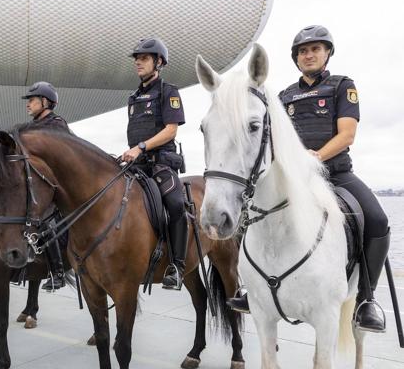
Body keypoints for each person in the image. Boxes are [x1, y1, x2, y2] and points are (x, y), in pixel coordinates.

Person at [227, 25, 389, 333]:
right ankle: (251, 289)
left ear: (327, 53)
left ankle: (366, 301)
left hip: (336, 175)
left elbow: (347, 134)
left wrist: (314, 157)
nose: (309, 55)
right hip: (294, 179)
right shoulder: (285, 95)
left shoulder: (343, 86)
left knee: (378, 220)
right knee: (246, 215)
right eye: (303, 51)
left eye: (315, 49)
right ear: (296, 58)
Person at [122, 37, 188, 290]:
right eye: (137, 59)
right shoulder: (133, 97)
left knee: (175, 204)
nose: (138, 62)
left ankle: (177, 266)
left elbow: (171, 130)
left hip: (160, 163)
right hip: (136, 164)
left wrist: (140, 147)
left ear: (158, 62)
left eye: (144, 58)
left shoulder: (168, 91)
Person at [22, 81, 74, 291]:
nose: (28, 104)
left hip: (57, 183)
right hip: (38, 183)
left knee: (46, 219)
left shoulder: (56, 124)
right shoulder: (30, 127)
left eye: (32, 100)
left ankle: (58, 272)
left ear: (45, 101)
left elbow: (61, 159)